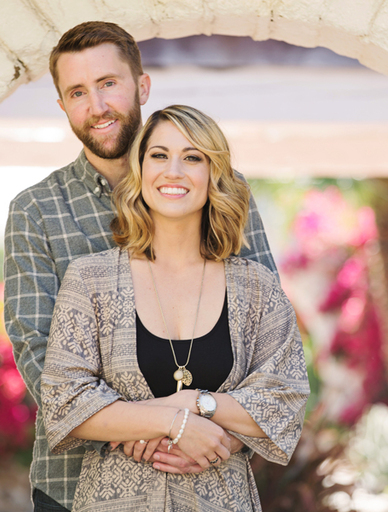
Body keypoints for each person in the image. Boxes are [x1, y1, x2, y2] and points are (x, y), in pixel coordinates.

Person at [4, 22, 277, 512]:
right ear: (62, 104)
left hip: (206, 478)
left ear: (142, 86)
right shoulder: (36, 210)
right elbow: (37, 350)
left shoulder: (218, 188)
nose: (97, 106)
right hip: (74, 486)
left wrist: (218, 434)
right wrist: (159, 425)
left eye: (108, 83)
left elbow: (266, 338)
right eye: (78, 92)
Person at [40, 105, 309, 511]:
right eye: (159, 155)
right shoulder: (90, 280)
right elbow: (64, 403)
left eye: (193, 157)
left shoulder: (257, 286)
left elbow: (285, 401)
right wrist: (175, 421)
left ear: (214, 174)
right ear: (140, 170)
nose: (174, 171)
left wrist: (198, 406)